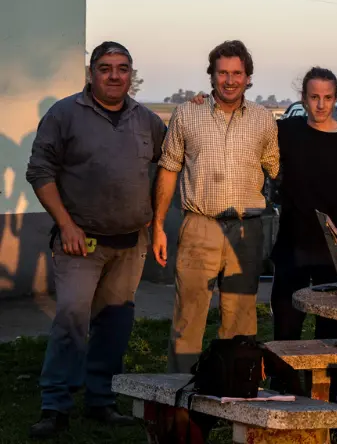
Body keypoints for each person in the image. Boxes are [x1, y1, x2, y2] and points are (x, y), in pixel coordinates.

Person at [25, 42, 166, 438]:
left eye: (122, 68)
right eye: (105, 68)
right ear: (91, 73)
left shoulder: (147, 120)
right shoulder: (65, 114)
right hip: (79, 242)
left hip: (130, 242)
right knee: (71, 319)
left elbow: (171, 162)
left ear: (131, 74)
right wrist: (66, 225)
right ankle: (55, 405)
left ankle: (101, 400)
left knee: (115, 323)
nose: (114, 76)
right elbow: (39, 171)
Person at [152, 40, 280, 374]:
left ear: (248, 77)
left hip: (246, 227)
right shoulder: (186, 114)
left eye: (237, 73)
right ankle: (179, 400)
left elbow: (276, 168)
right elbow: (168, 170)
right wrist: (158, 226)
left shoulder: (264, 120)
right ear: (211, 76)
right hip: (199, 225)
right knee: (188, 318)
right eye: (222, 72)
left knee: (240, 318)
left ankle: (236, 396)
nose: (229, 80)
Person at [269, 67, 337, 399]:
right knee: (286, 333)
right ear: (303, 99)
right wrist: (205, 102)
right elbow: (244, 127)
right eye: (314, 97)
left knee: (330, 339)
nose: (320, 105)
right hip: (293, 248)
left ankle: (327, 406)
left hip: (335, 255)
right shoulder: (286, 131)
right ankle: (283, 402)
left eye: (327, 98)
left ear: (336, 98)